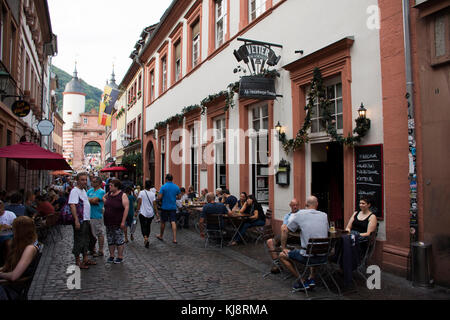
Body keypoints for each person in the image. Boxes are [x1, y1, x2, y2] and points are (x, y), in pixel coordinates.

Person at [279, 196, 329, 291]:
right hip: (323, 256)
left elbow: (285, 230)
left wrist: (284, 247)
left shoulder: (300, 214)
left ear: (306, 205)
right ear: (317, 204)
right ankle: (312, 278)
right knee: (314, 249)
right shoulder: (324, 215)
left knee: (282, 255)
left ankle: (302, 280)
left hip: (308, 257)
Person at [0, 216, 41, 300]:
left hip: (13, 288)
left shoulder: (30, 248)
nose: (12, 231)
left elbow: (14, 276)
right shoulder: (26, 245)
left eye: (13, 229)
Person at [266, 199, 301, 274]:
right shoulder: (287, 216)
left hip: (297, 237)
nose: (295, 207)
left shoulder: (301, 214)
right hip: (287, 236)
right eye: (293, 205)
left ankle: (283, 250)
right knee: (269, 242)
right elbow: (284, 226)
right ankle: (278, 265)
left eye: (296, 205)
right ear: (290, 206)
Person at [68, 172, 96, 270]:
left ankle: (85, 258)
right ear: (77, 180)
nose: (84, 181)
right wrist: (76, 220)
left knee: (86, 240)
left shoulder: (83, 190)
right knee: (79, 240)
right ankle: (78, 261)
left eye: (85, 180)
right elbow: (72, 205)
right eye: (82, 180)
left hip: (86, 219)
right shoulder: (74, 191)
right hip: (80, 220)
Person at [103, 179, 129, 264]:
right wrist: (106, 202)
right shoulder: (110, 194)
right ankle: (111, 255)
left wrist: (123, 221)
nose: (109, 186)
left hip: (118, 221)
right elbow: (103, 197)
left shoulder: (122, 195)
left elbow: (126, 208)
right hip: (108, 221)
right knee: (110, 239)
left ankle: (120, 256)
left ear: (116, 187)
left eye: (111, 185)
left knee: (119, 239)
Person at [156, 173, 181, 244]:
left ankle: (161, 235)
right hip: (173, 207)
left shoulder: (163, 187)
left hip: (165, 207)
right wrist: (173, 197)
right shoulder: (176, 187)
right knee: (173, 221)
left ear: (166, 179)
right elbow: (179, 197)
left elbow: (159, 197)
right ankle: (175, 238)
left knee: (163, 222)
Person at [87, 176, 106, 257]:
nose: (92, 183)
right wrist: (91, 200)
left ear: (99, 183)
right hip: (88, 215)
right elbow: (84, 199)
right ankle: (93, 249)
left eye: (94, 182)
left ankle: (101, 250)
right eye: (92, 181)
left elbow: (95, 200)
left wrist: (90, 200)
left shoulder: (101, 191)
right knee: (90, 234)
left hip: (97, 215)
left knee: (99, 233)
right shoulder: (90, 190)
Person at [136, 180, 157, 248]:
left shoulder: (141, 193)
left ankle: (145, 238)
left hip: (143, 212)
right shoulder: (153, 194)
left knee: (143, 226)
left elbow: (139, 203)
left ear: (144, 185)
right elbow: (154, 204)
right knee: (148, 226)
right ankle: (147, 237)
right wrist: (156, 213)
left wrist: (137, 211)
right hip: (150, 213)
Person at [0, 200, 17, 266]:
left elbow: (17, 226)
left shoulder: (10, 214)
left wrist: (9, 227)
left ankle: (8, 263)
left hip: (9, 235)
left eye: (0, 207)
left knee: (8, 244)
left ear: (3, 207)